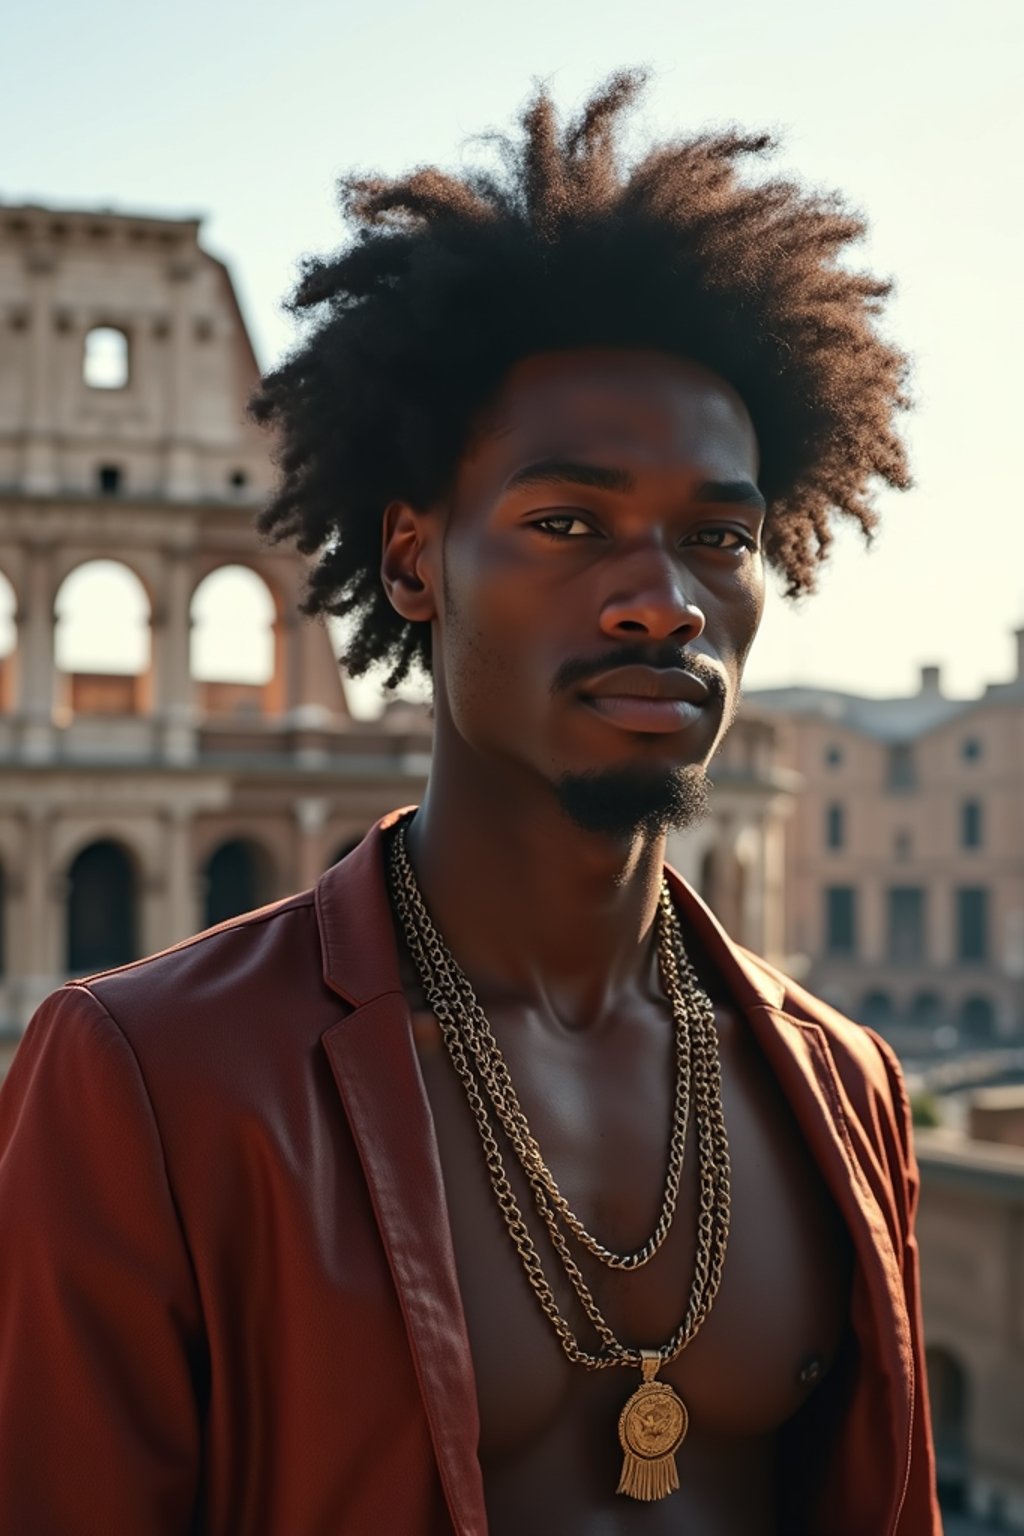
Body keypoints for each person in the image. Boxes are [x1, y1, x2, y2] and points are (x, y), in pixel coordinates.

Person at [0, 72, 939, 1534]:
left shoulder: (845, 1088)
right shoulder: (141, 1079)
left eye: (718, 536)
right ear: (412, 564)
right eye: (569, 523)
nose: (661, 602)